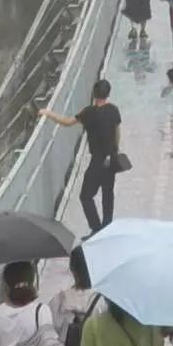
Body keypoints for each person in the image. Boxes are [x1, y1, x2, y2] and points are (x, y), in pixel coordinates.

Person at [39, 79, 122, 235]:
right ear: (108, 94)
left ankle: (96, 228)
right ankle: (107, 227)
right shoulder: (114, 110)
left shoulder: (88, 112)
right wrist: (115, 151)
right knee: (107, 193)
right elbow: (117, 132)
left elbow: (66, 122)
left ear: (94, 93)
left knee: (85, 196)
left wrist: (48, 113)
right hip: (111, 158)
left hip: (97, 160)